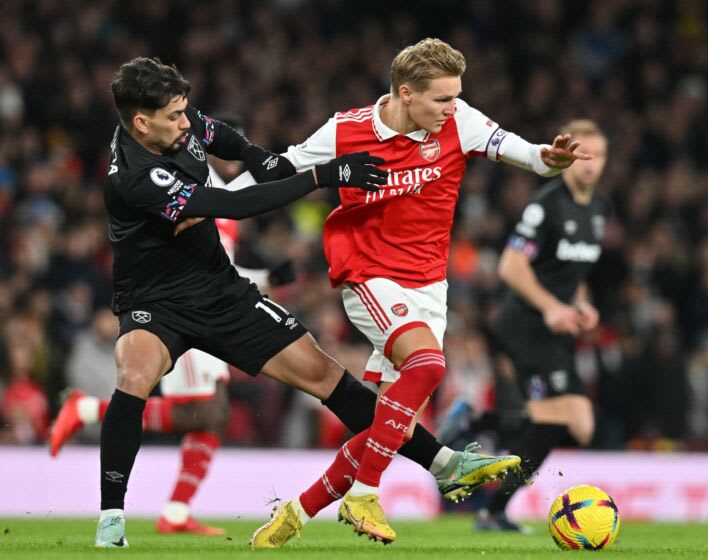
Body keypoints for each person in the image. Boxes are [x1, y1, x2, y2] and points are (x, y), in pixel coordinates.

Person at [93, 57, 513, 548]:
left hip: (221, 291)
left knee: (326, 376)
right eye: (175, 117)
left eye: (185, 111)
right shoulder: (134, 178)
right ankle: (111, 520)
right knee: (135, 375)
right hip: (154, 300)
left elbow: (216, 133)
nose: (186, 123)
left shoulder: (176, 123)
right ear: (141, 122)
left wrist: (255, 155)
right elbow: (233, 205)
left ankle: (444, 464)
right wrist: (322, 176)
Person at [249, 38, 591, 547]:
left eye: (456, 97)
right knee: (428, 366)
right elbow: (282, 167)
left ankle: (296, 514)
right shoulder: (348, 130)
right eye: (441, 99)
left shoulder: (460, 121)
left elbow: (534, 160)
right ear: (406, 93)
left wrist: (551, 158)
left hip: (429, 285)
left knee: (393, 426)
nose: (451, 108)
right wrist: (206, 204)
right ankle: (365, 494)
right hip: (368, 274)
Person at [49, 123, 296, 536]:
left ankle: (177, 512)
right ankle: (87, 410)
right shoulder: (190, 181)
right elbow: (195, 259)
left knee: (213, 415)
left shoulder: (218, 188)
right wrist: (268, 276)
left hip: (212, 300)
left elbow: (222, 265)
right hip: (187, 307)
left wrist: (266, 276)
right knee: (206, 411)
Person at [443, 119, 610, 532]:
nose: (591, 164)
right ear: (568, 156)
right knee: (565, 420)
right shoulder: (546, 205)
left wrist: (583, 305)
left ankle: (477, 432)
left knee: (573, 425)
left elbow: (575, 273)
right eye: (583, 155)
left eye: (600, 155)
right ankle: (491, 496)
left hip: (554, 329)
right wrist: (553, 307)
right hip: (523, 325)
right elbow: (511, 265)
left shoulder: (598, 210)